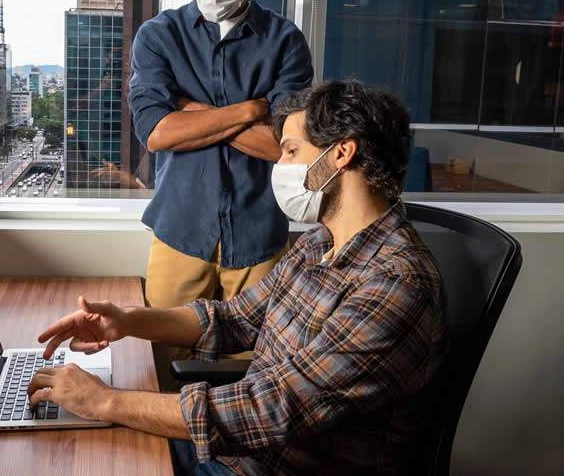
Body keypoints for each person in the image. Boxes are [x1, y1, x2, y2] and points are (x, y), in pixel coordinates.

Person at [28, 81, 448, 475]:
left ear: (340, 154)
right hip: (245, 455)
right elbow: (234, 319)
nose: (279, 166)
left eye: (290, 150)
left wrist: (104, 400)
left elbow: (270, 409)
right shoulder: (320, 241)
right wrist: (127, 321)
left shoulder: (395, 284)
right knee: (75, 442)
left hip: (276, 466)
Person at [128, 0, 313, 383]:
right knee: (163, 373)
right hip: (180, 229)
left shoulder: (286, 42)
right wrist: (251, 110)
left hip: (258, 235)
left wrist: (192, 112)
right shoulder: (158, 37)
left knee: (251, 376)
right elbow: (156, 133)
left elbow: (285, 148)